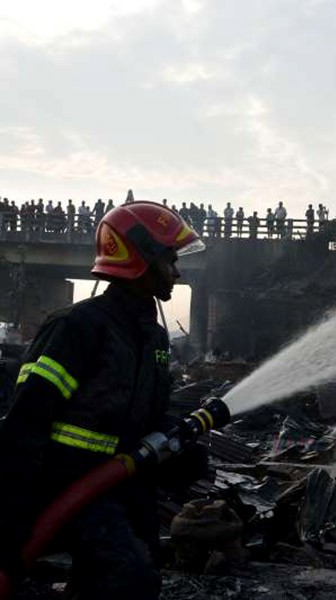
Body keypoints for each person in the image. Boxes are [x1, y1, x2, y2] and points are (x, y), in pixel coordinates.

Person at [0, 201, 207, 599]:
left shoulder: (153, 336)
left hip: (126, 482)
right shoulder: (78, 327)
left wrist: (175, 449)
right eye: (169, 260)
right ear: (141, 258)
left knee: (138, 572)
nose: (177, 272)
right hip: (69, 484)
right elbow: (25, 423)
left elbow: (149, 413)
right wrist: (9, 521)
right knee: (129, 578)